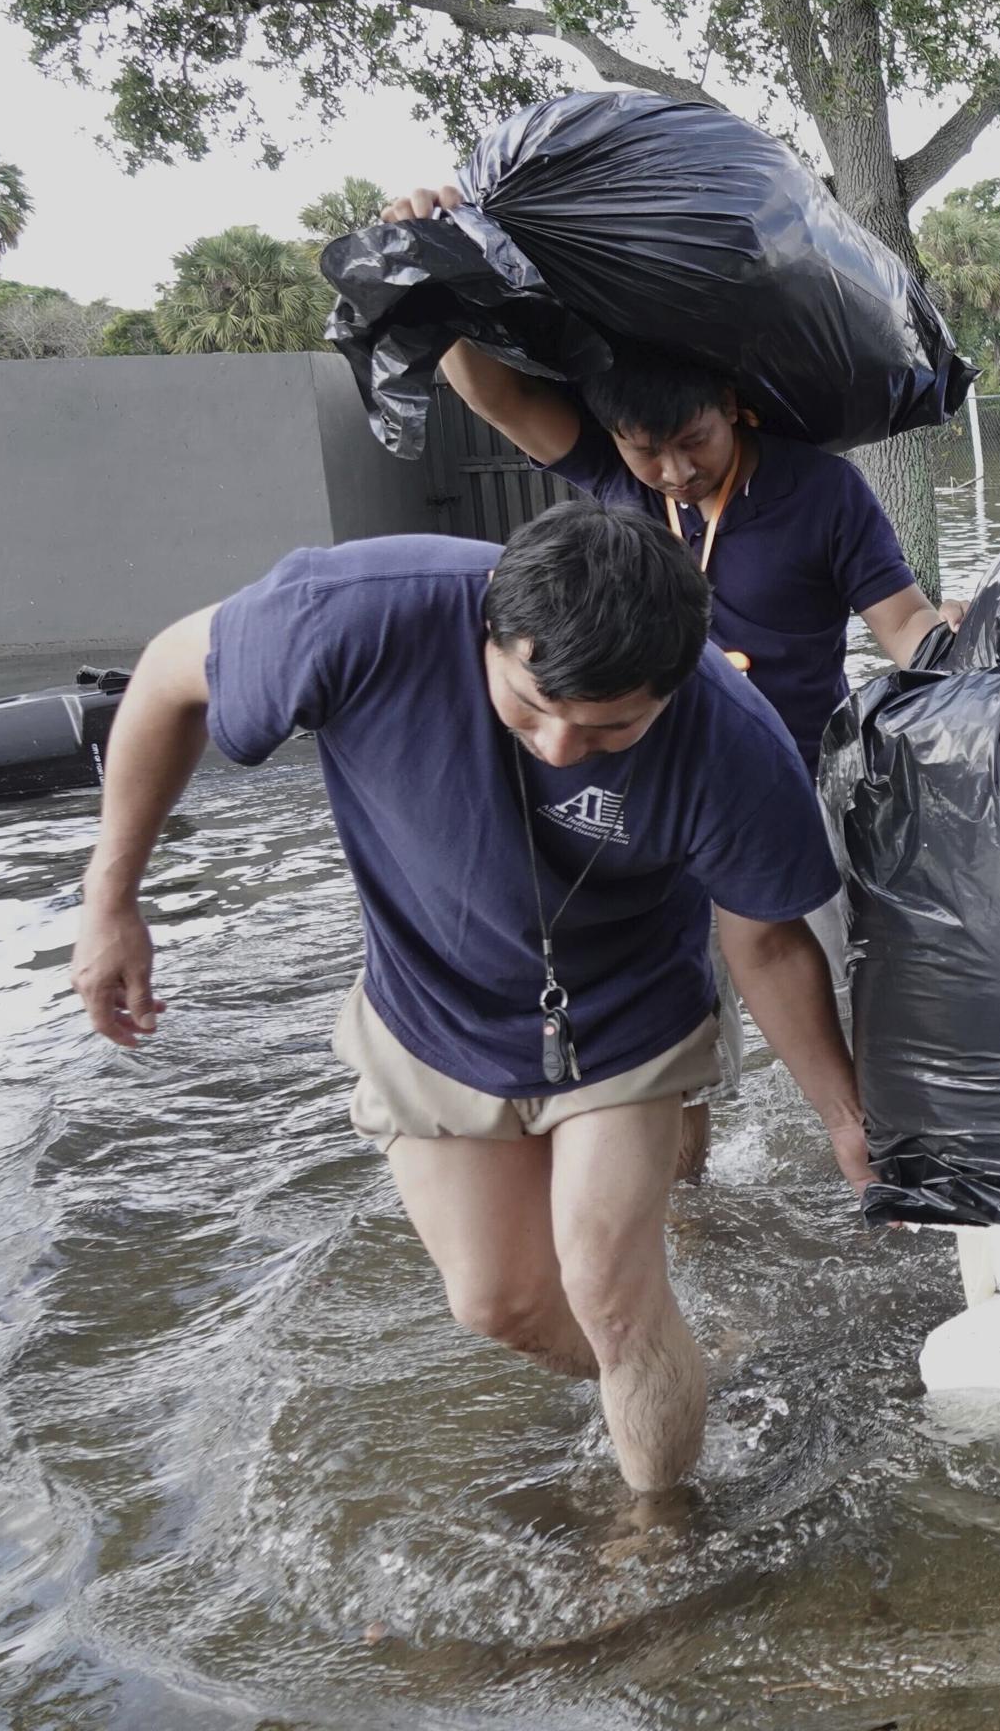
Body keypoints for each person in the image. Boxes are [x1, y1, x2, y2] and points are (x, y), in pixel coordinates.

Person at [67, 504, 870, 1495]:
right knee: (500, 1300)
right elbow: (165, 675)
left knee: (609, 1285)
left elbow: (768, 939)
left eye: (614, 725)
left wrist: (844, 1115)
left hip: (626, 1012)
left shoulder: (732, 742)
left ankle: (661, 1528)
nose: (566, 747)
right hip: (431, 1006)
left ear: (678, 681)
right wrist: (111, 900)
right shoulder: (353, 617)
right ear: (489, 629)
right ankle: (682, 1363)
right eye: (533, 705)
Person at [380, 183, 945, 1153]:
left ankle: (872, 1153)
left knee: (839, 989)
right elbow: (497, 392)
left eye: (694, 443)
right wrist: (425, 254)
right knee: (669, 1030)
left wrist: (968, 670)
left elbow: (901, 622)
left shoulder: (823, 491)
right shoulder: (606, 472)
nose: (676, 474)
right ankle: (687, 1213)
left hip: (791, 780)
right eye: (649, 454)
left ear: (735, 408)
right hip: (644, 793)